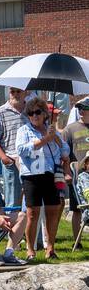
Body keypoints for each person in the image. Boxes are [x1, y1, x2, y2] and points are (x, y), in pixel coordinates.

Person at [14, 97, 69, 263]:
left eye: (38, 112)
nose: (34, 115)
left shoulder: (52, 130)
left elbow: (65, 152)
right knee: (32, 213)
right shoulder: (24, 130)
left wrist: (55, 137)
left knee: (52, 211)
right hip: (31, 175)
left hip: (50, 174)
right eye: (31, 113)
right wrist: (44, 140)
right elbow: (21, 150)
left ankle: (50, 247)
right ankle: (30, 250)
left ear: (45, 114)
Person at [0, 85, 32, 224]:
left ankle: (31, 237)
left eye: (18, 91)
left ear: (25, 92)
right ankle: (13, 237)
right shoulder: (1, 111)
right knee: (13, 201)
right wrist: (4, 157)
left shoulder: (32, 111)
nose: (15, 94)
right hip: (11, 160)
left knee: (31, 200)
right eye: (12, 91)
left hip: (31, 161)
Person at [61, 98, 89, 243]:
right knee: (77, 209)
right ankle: (77, 241)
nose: (81, 111)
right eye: (80, 108)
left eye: (84, 108)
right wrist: (67, 172)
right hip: (78, 177)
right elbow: (64, 153)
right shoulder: (70, 129)